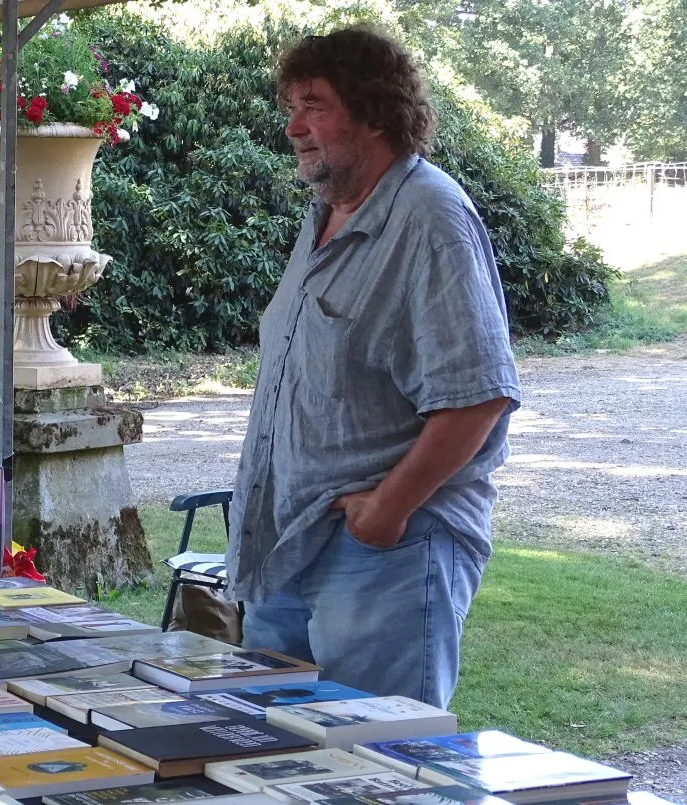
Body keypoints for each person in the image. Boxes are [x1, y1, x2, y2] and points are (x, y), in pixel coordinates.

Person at [225, 25, 521, 710]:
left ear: (376, 112)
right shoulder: (325, 215)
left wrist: (387, 510)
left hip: (382, 557)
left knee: (377, 756)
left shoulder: (429, 216)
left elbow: (478, 395)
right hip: (287, 547)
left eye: (315, 105)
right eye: (292, 107)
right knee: (268, 754)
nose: (294, 127)